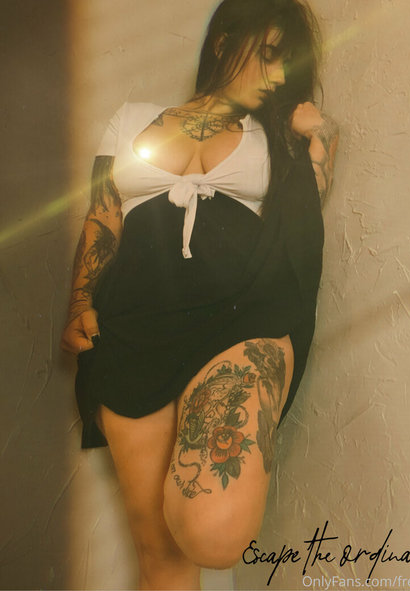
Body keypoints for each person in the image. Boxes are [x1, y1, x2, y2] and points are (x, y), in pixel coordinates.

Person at [61, 0, 338, 588]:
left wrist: (317, 138)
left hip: (237, 322)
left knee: (213, 530)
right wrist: (80, 305)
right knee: (160, 558)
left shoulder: (275, 134)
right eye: (269, 55)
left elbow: (304, 218)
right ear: (223, 41)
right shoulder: (131, 119)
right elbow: (103, 217)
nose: (278, 76)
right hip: (133, 329)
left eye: (287, 65)